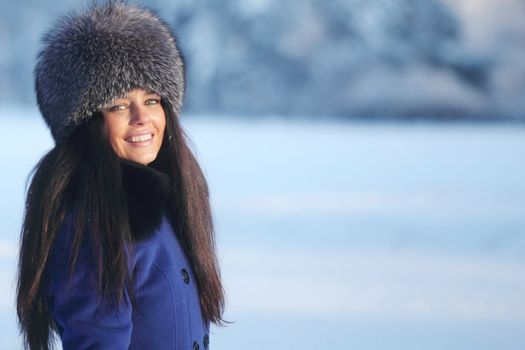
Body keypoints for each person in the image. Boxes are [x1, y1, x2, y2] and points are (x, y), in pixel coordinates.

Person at [16, 2, 224, 349]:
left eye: (153, 100)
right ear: (85, 124)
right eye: (118, 105)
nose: (142, 118)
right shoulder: (93, 221)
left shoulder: (163, 194)